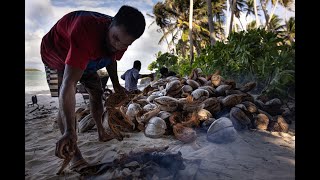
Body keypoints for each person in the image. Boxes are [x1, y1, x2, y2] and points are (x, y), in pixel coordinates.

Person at [40, 5, 146, 171]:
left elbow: (112, 59)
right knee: (66, 96)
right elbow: (69, 84)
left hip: (88, 58)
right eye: (115, 39)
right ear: (110, 24)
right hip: (55, 55)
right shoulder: (86, 29)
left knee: (97, 92)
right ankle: (74, 155)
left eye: (125, 44)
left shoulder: (121, 40)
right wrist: (69, 129)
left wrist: (117, 86)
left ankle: (101, 133)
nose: (118, 46)